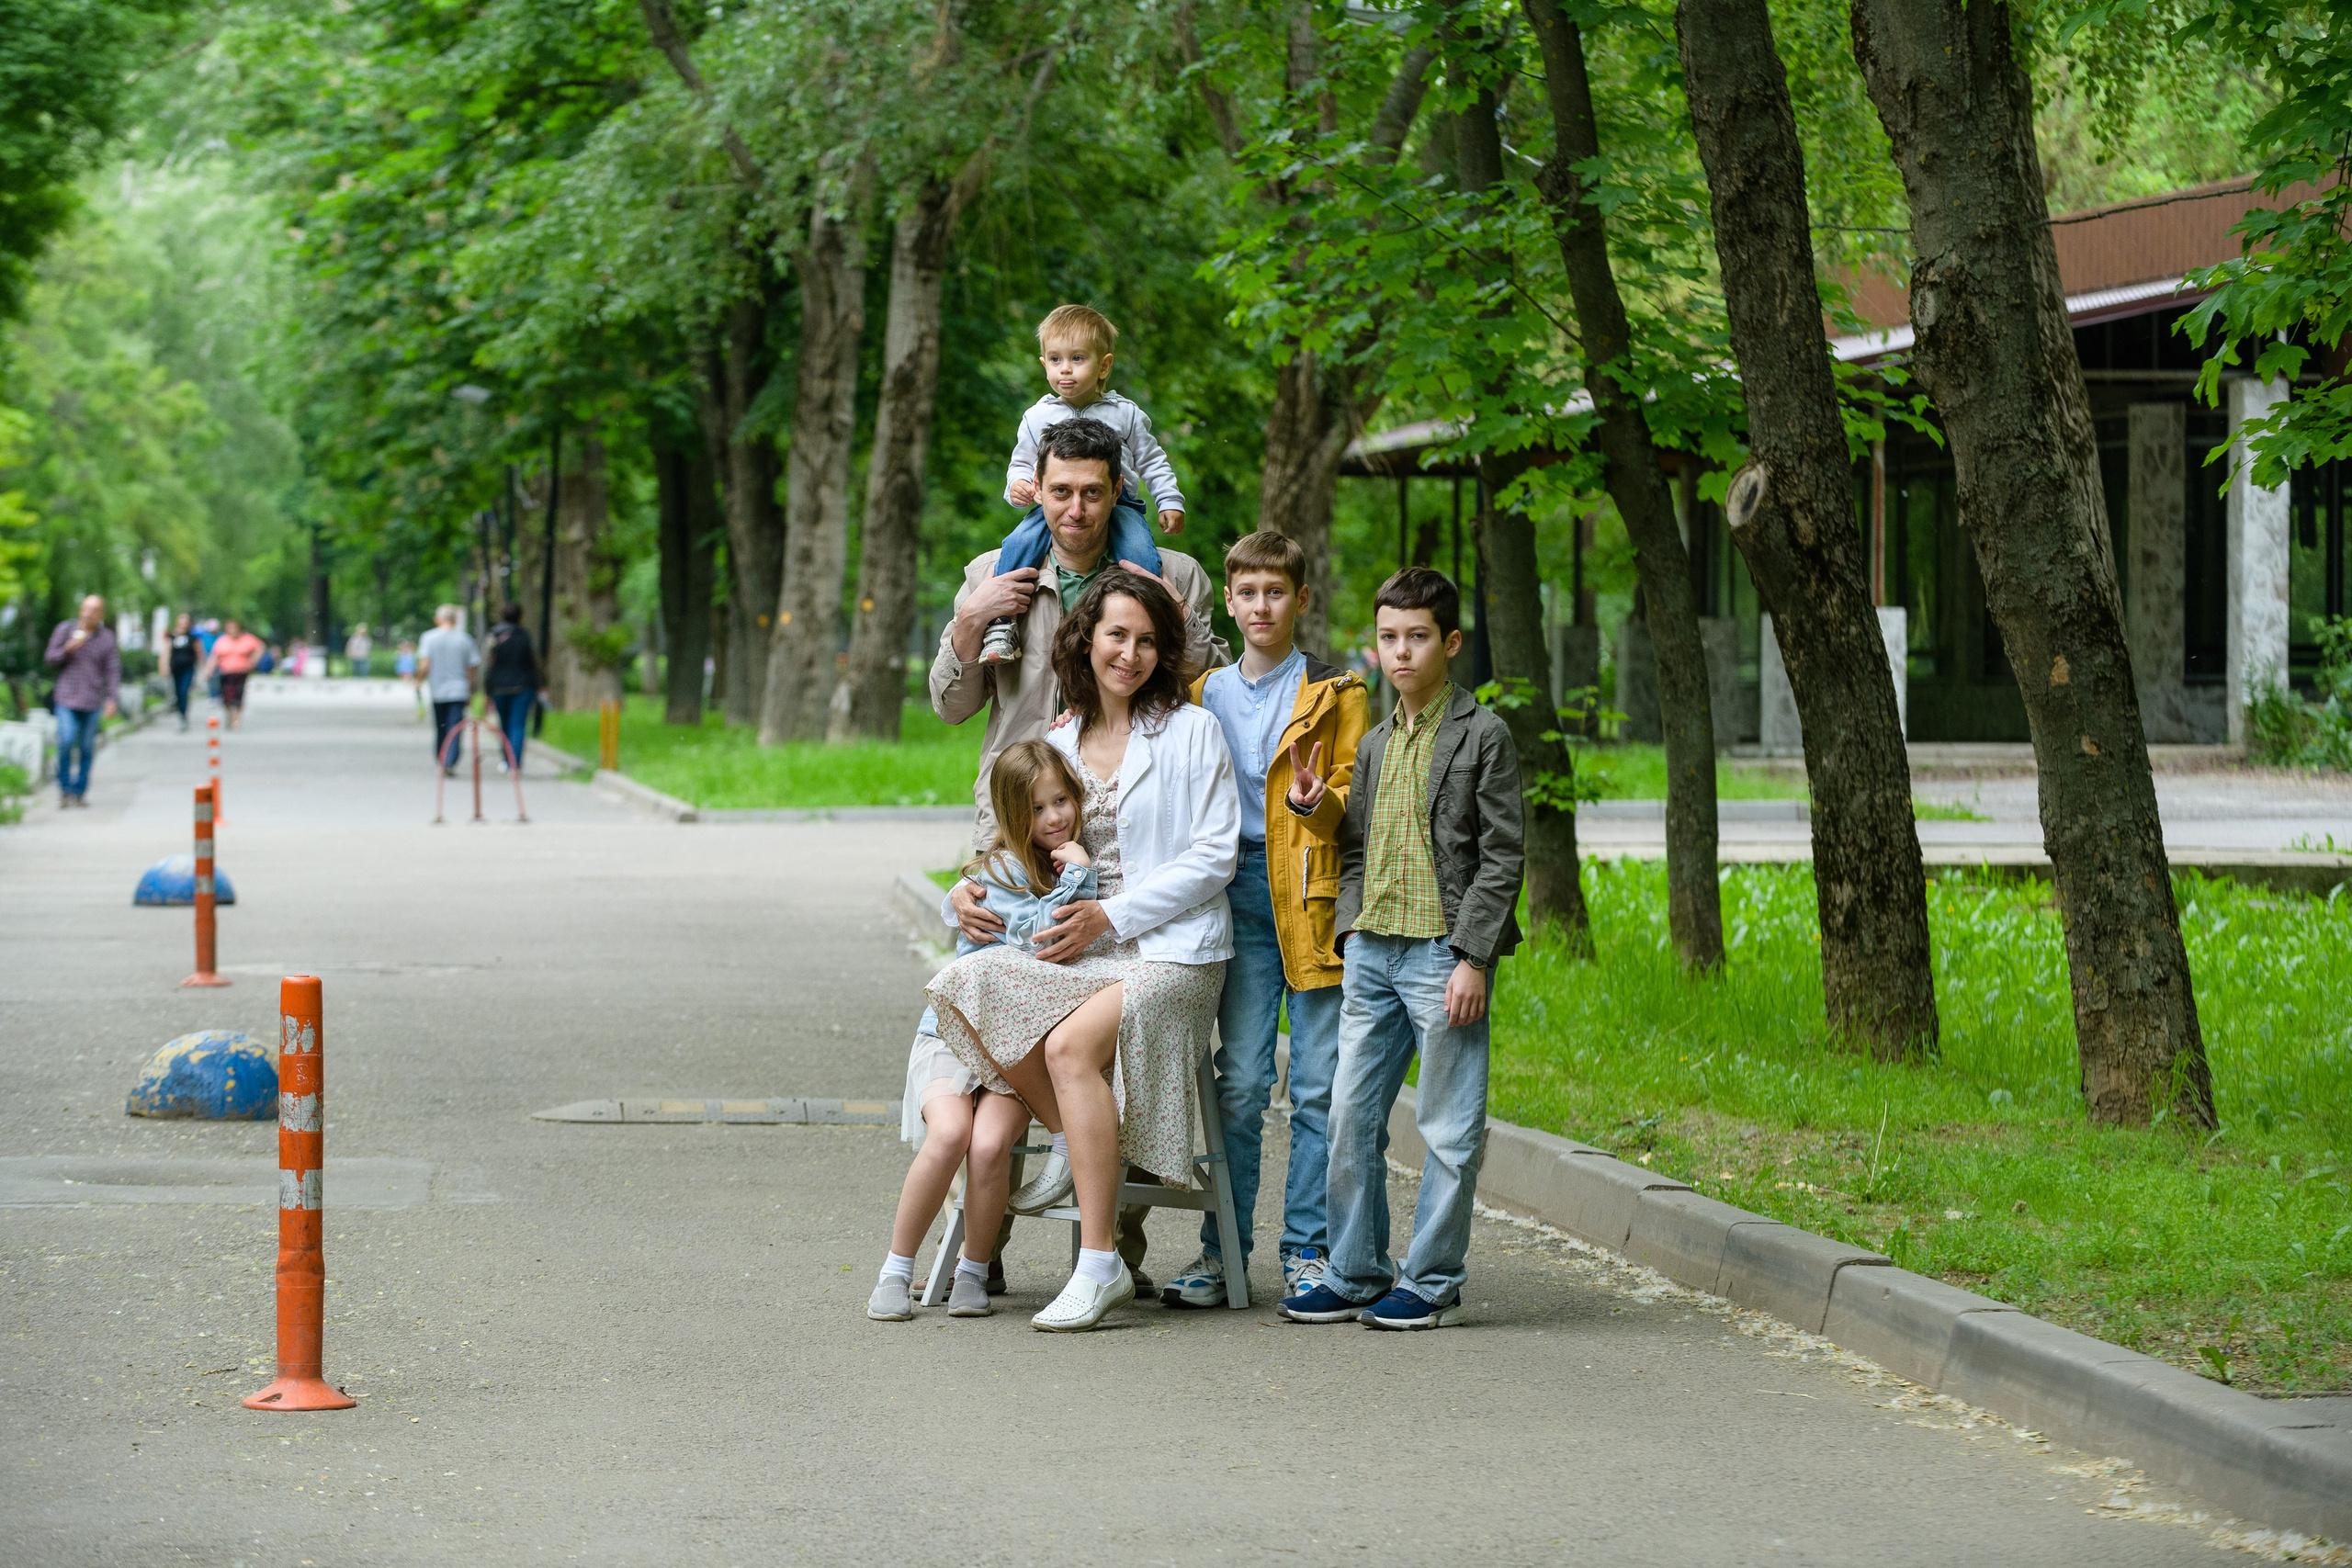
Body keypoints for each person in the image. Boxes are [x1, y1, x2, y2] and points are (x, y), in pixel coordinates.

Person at [931, 416, 1228, 1300]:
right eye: (1059, 490)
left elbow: (1199, 685)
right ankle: (1074, 1165)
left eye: (1094, 491)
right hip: (1023, 849)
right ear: (1039, 485)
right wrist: (971, 621)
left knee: (1072, 1039)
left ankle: (1104, 1249)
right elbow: (949, 704)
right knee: (976, 987)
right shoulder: (999, 576)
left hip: (1146, 915)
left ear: (1119, 488)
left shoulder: (1166, 580)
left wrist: (1154, 622)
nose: (1075, 508)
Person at [1279, 567, 1525, 1332]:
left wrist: (1474, 958)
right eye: (1389, 638)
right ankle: (1356, 1269)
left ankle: (1434, 1278)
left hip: (1440, 958)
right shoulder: (1380, 743)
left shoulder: (1482, 735)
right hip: (1373, 956)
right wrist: (1315, 810)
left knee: (1448, 1128)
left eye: (1418, 637)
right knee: (1349, 1116)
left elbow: (1502, 855)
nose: (1402, 652)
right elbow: (1356, 848)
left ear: (1450, 642)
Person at [1162, 530, 1368, 1309]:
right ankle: (1225, 1254)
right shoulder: (1201, 693)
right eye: (1246, 592)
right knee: (1242, 1081)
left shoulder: (1336, 694)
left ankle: (1307, 1250)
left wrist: (1319, 804)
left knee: (1317, 1085)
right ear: (1229, 598)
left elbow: (1350, 798)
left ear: (1301, 599)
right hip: (1236, 894)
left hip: (1312, 895)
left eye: (1275, 592)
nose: (1260, 606)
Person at [871, 740, 1096, 1323]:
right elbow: (1040, 939)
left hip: (1013, 1049)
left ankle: (973, 1268)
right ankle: (896, 1269)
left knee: (992, 1145)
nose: (1054, 818)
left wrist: (1074, 873)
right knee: (949, 1135)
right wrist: (1080, 877)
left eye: (1062, 800)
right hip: (956, 1036)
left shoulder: (1058, 864)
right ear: (1011, 816)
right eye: (1038, 809)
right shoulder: (1001, 872)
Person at [975, 305, 1187, 666]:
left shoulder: (1126, 414)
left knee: (1139, 553)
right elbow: (1021, 463)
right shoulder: (1037, 417)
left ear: (1104, 365)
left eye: (1077, 358)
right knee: (1019, 543)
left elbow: (1152, 460)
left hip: (1119, 507)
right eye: (1055, 360)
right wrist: (1018, 486)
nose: (1066, 369)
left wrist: (1169, 499)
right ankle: (1001, 623)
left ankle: (1151, 624)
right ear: (1044, 365)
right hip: (1049, 508)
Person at [42, 594, 119, 808]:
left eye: (94, 610)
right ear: (80, 610)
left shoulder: (106, 638)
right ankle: (65, 789)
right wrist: (68, 649)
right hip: (66, 697)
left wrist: (112, 698)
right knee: (66, 741)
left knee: (86, 747)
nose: (88, 614)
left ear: (101, 615)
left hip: (92, 699)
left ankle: (79, 791)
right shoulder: (65, 630)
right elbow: (49, 658)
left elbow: (112, 669)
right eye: (85, 609)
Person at [417, 604, 480, 773]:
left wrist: (418, 680)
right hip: (459, 690)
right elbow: (471, 669)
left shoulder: (429, 637)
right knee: (455, 727)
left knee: (441, 726)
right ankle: (450, 760)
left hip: (438, 690)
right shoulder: (466, 639)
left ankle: (442, 758)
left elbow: (424, 664)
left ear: (438, 619)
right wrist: (471, 689)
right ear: (456, 619)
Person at [481, 604, 539, 772]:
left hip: (499, 686)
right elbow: (533, 662)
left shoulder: (494, 635)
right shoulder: (524, 635)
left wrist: (487, 690)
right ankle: (515, 763)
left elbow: (488, 664)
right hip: (522, 686)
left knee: (504, 724)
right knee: (518, 725)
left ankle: (506, 759)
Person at [205, 619, 266, 729]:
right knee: (226, 697)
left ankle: (237, 719)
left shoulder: (247, 639)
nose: (232, 631)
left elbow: (260, 647)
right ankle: (229, 715)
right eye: (230, 628)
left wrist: (254, 660)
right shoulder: (222, 641)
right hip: (225, 672)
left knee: (238, 696)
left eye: (234, 628)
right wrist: (209, 669)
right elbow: (214, 656)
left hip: (241, 672)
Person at [166, 614, 198, 731]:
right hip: (175, 669)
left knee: (184, 691)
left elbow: (199, 652)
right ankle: (180, 713)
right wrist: (164, 666)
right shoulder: (171, 637)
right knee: (177, 693)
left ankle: (184, 714)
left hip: (188, 668)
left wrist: (205, 667)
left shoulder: (192, 638)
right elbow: (166, 652)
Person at [394, 639, 421, 716]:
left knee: (407, 675)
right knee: (404, 675)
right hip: (403, 667)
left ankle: (407, 683)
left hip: (408, 667)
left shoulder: (411, 654)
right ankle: (407, 683)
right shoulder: (400, 653)